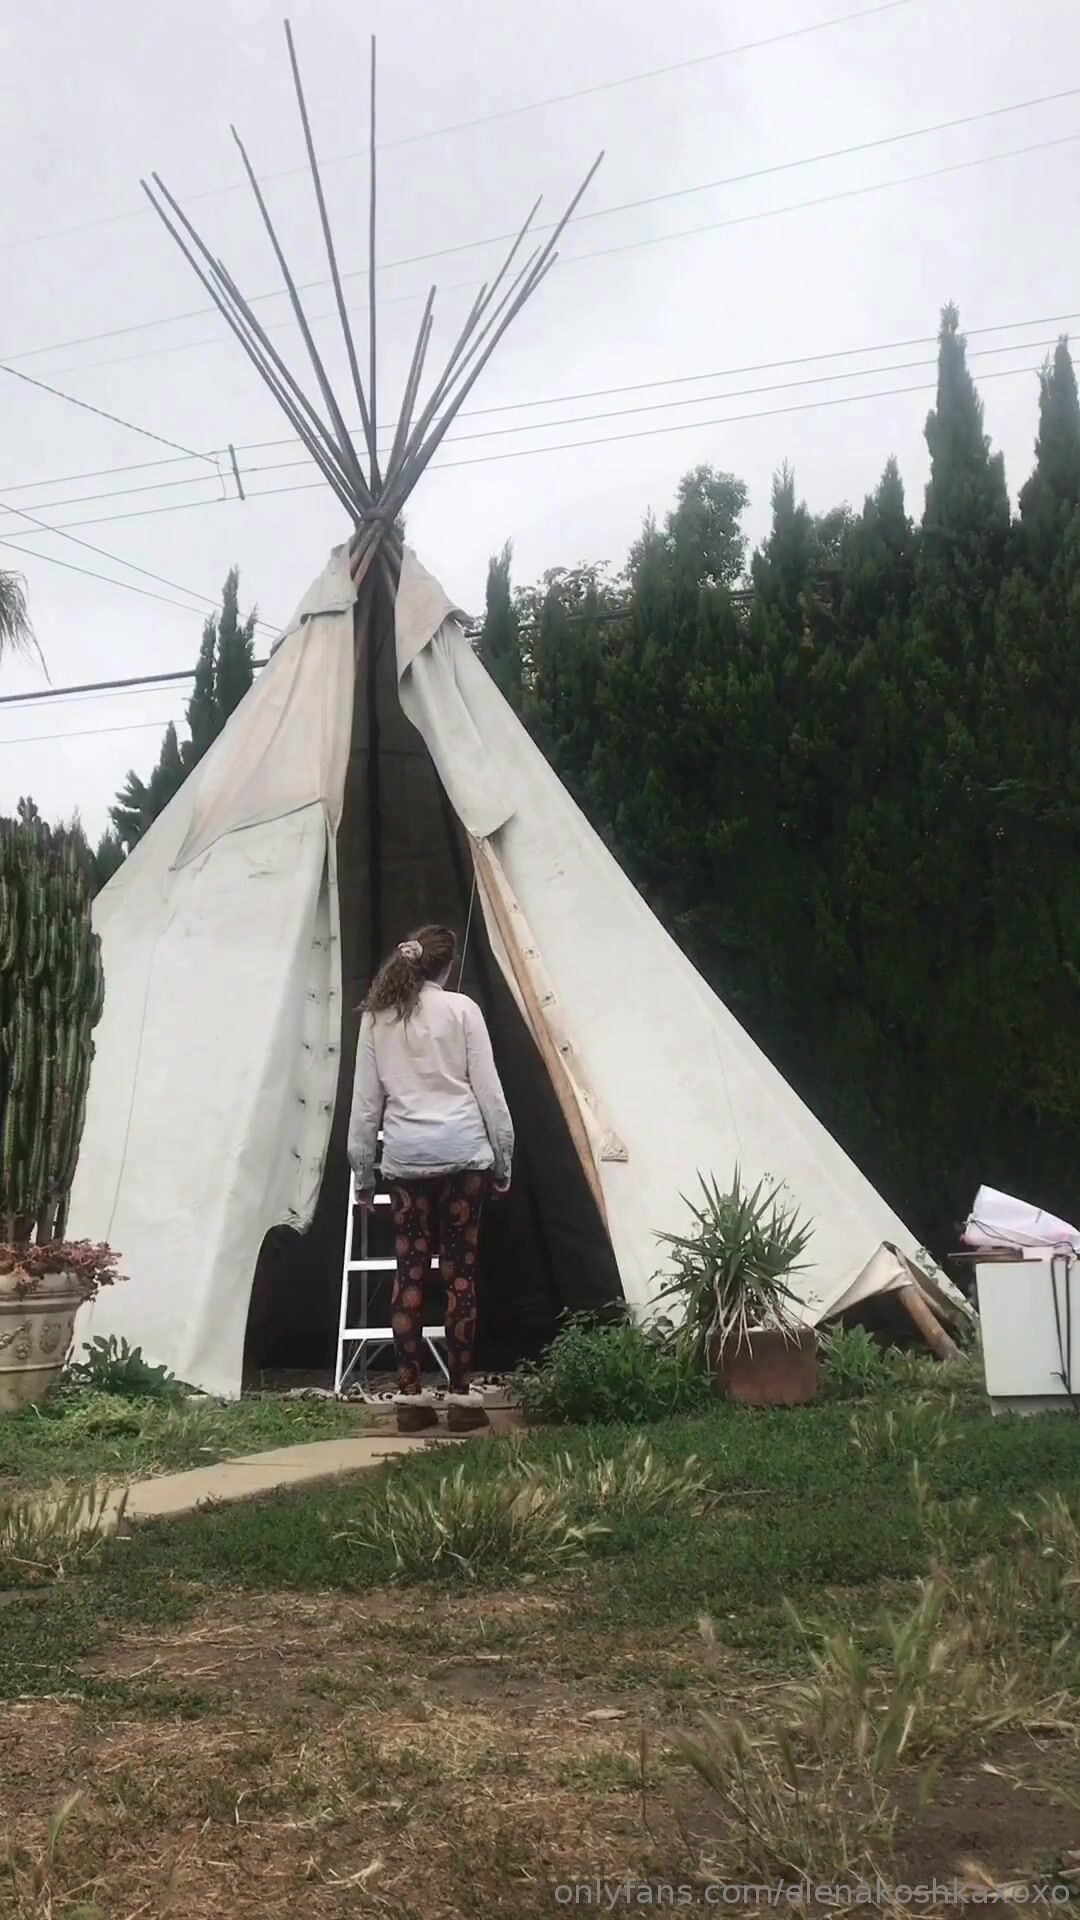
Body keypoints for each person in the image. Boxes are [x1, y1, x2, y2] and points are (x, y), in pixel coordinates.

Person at [347, 925, 514, 1434]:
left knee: (409, 1272)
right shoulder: (462, 1010)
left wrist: (362, 1172)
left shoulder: (377, 1017)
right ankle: (461, 1398)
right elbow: (488, 1090)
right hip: (463, 1155)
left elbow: (366, 1103)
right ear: (446, 966)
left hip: (405, 1159)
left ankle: (409, 1397)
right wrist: (503, 1158)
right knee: (460, 1273)